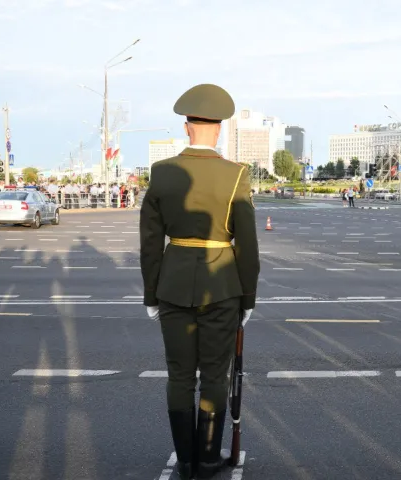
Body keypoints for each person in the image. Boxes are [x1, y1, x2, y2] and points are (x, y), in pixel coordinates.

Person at [140, 83, 260, 480]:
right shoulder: (236, 174)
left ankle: (186, 460)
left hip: (172, 287)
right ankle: (208, 460)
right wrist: (248, 300)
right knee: (213, 375)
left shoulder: (162, 172)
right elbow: (248, 245)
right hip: (223, 287)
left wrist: (151, 295)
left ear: (187, 127)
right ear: (221, 129)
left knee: (178, 376)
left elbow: (150, 243)